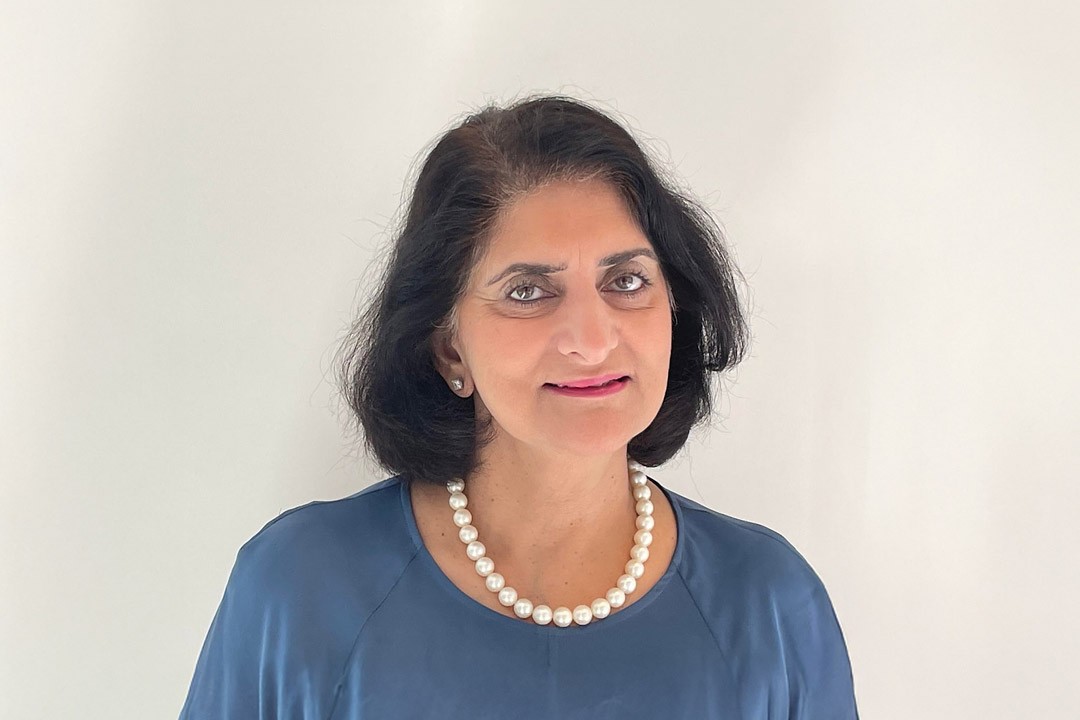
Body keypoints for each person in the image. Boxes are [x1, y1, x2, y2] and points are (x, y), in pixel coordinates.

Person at [178, 95, 859, 719]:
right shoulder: (303, 592)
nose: (593, 341)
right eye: (529, 291)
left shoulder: (771, 609)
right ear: (448, 348)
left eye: (626, 281)